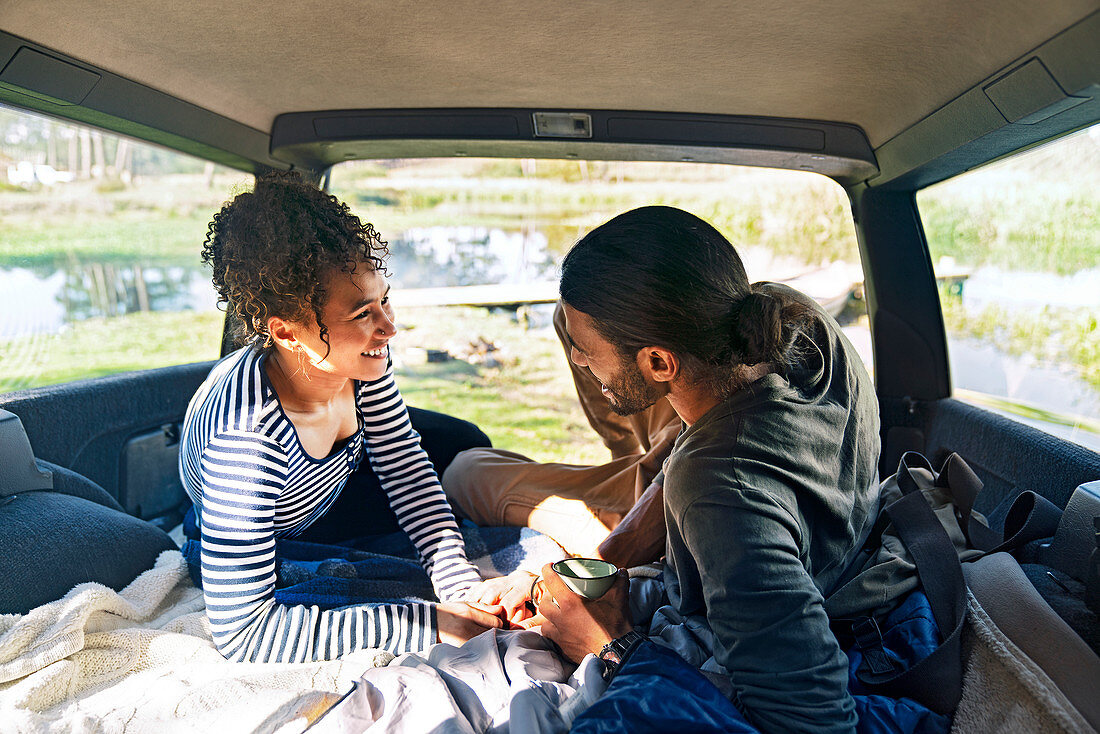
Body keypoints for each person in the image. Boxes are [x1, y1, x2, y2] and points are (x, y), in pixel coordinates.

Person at [470, 206, 882, 732]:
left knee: (465, 473)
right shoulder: (788, 314)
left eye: (586, 352)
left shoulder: (718, 491)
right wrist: (604, 562)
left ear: (660, 363)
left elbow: (814, 721)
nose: (576, 360)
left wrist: (612, 646)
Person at [178, 172, 509, 664]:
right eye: (362, 314)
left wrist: (457, 582)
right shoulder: (245, 443)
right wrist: (429, 624)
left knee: (462, 440)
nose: (389, 328)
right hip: (281, 524)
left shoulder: (359, 363)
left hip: (331, 483)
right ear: (287, 334)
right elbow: (243, 635)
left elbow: (403, 466)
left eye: (385, 301)